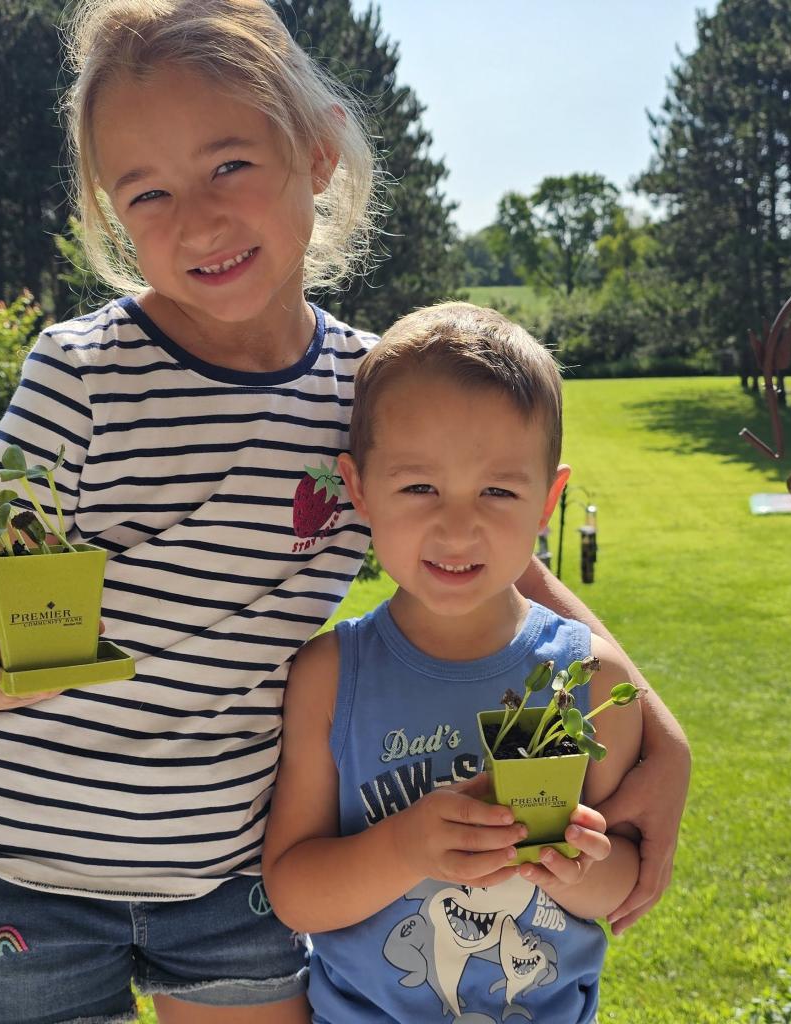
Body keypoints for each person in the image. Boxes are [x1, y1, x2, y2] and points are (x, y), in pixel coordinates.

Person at [0, 2, 686, 1021]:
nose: (195, 220)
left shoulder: (364, 397)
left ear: (316, 153)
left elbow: (519, 585)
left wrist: (661, 741)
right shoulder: (82, 375)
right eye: (146, 193)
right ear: (108, 211)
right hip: (28, 875)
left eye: (229, 165)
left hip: (233, 886)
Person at [262, 302, 679, 1023]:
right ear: (358, 488)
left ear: (548, 500)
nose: (458, 527)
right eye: (419, 487)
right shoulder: (330, 676)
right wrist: (405, 847)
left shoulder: (591, 680)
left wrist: (573, 866)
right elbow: (293, 890)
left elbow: (627, 885)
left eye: (498, 490)